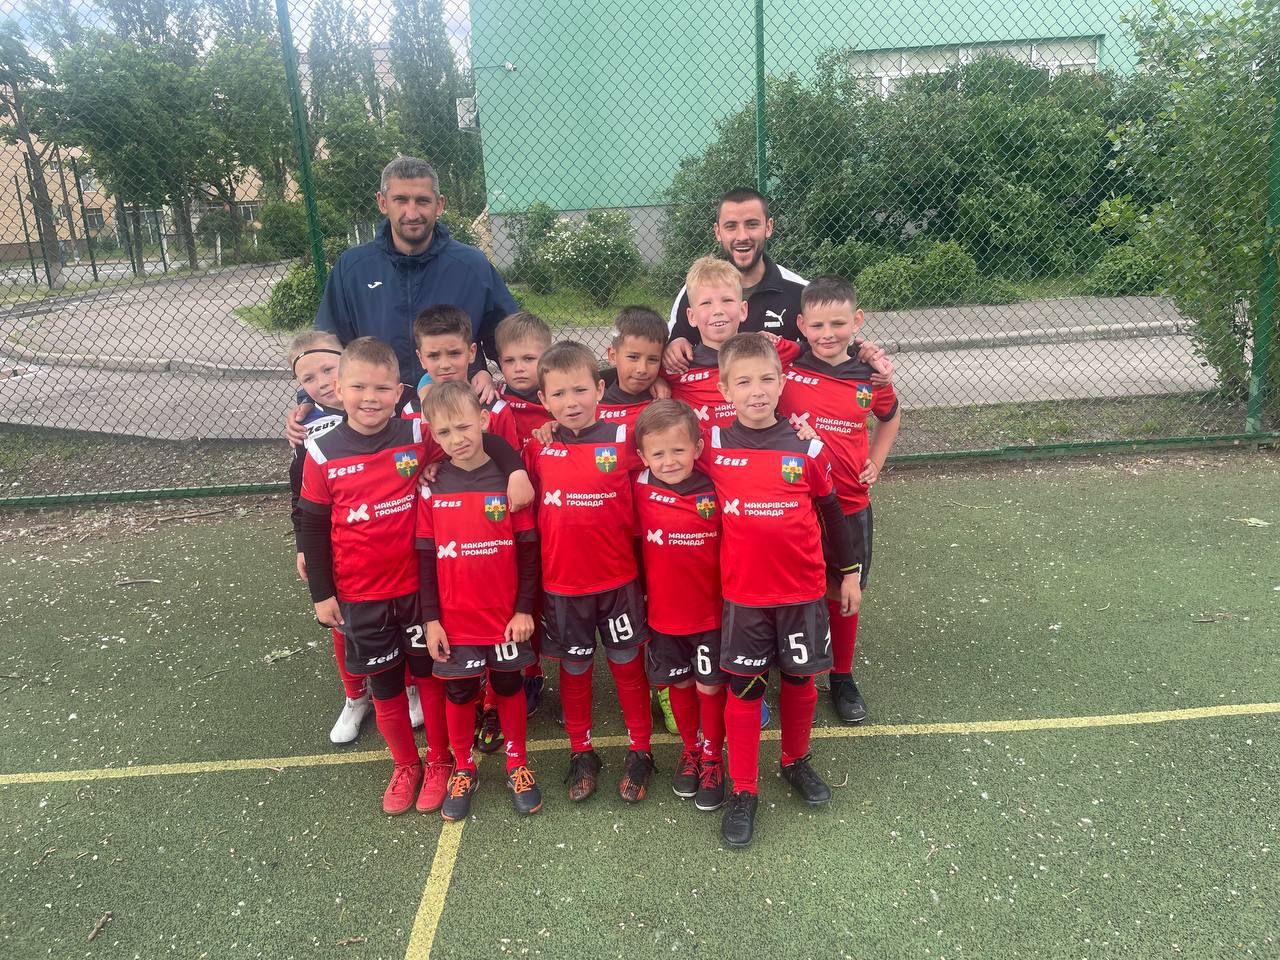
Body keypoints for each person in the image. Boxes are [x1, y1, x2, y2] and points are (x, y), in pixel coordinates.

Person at [700, 332, 862, 847]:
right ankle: (744, 788)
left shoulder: (807, 446)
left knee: (799, 680)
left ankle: (794, 760)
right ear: (724, 389)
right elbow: (656, 448)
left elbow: (833, 512)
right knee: (745, 689)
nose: (757, 390)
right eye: (744, 381)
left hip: (803, 593)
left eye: (767, 379)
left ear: (781, 382)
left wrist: (849, 573)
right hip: (745, 597)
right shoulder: (711, 445)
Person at [295, 337, 450, 815]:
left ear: (399, 392)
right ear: (339, 390)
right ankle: (405, 764)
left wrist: (438, 465)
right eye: (359, 387)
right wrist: (322, 593)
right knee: (384, 686)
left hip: (420, 590)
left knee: (429, 678)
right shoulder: (321, 452)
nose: (370, 398)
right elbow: (313, 524)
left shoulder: (418, 433)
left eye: (382, 388)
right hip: (361, 595)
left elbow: (464, 450)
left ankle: (440, 760)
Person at [285, 156, 517, 445]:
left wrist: (533, 393)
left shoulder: (472, 265)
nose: (412, 212)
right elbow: (326, 348)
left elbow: (511, 340)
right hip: (378, 418)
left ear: (439, 205)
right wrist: (310, 399)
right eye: (401, 200)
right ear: (383, 203)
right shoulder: (353, 268)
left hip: (455, 422)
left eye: (422, 201)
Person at [523, 341, 654, 804]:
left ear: (600, 389)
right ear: (544, 400)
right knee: (575, 667)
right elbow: (503, 471)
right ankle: (581, 750)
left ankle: (641, 749)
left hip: (618, 582)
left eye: (580, 390)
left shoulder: (625, 439)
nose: (571, 402)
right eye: (558, 394)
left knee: (626, 662)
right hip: (563, 586)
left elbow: (675, 448)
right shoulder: (538, 447)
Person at [287, 330, 425, 743]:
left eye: (327, 370)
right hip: (352, 572)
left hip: (411, 575)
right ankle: (357, 699)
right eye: (309, 378)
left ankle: (416, 696)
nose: (323, 382)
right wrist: (316, 577)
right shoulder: (312, 437)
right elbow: (307, 510)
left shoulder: (413, 426)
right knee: (353, 639)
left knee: (416, 655)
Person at [416, 382, 542, 820]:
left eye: (464, 427)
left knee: (507, 685)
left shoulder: (510, 482)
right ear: (432, 433)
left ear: (484, 421)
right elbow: (425, 557)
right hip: (455, 620)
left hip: (505, 617)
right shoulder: (431, 486)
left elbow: (529, 550)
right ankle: (464, 767)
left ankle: (516, 762)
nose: (456, 439)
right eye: (444, 432)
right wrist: (431, 620)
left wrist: (524, 608)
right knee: (460, 690)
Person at [778, 276, 901, 724]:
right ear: (801, 325)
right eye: (817, 325)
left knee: (844, 592)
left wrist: (876, 461)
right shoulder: (786, 363)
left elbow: (890, 417)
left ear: (857, 320)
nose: (827, 334)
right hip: (796, 506)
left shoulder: (871, 377)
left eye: (838, 323)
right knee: (795, 592)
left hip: (849, 504)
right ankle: (798, 670)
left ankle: (842, 675)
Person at [633, 400, 729, 811]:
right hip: (664, 616)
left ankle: (712, 755)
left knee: (710, 685)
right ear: (642, 456)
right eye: (658, 453)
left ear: (697, 448)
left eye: (678, 450)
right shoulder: (638, 486)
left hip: (710, 614)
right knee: (681, 684)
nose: (669, 461)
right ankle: (690, 749)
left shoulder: (716, 487)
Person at [664, 187, 808, 373]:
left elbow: (823, 352)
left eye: (752, 224)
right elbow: (672, 348)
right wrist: (674, 345)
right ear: (718, 232)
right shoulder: (694, 291)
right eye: (731, 226)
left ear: (768, 227)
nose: (742, 236)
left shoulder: (800, 292)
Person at [493, 310, 554, 715]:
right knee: (520, 600)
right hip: (512, 523)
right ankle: (528, 672)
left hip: (558, 521)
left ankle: (569, 666)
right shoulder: (492, 403)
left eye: (529, 359)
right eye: (509, 360)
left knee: (553, 603)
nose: (518, 368)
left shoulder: (563, 399)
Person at [667, 256, 801, 430]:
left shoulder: (767, 349)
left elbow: (815, 352)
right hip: (703, 447)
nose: (718, 311)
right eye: (706, 303)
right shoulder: (678, 364)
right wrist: (658, 383)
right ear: (691, 316)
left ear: (743, 310)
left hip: (762, 445)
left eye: (727, 300)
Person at [598, 306, 669, 430]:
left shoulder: (667, 400)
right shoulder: (593, 406)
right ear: (612, 356)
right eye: (633, 357)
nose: (642, 369)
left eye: (653, 359)